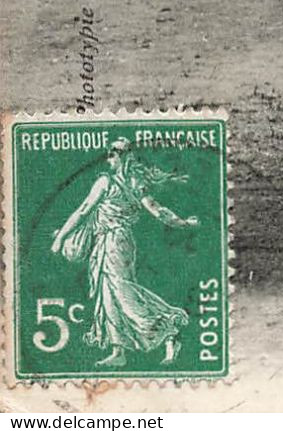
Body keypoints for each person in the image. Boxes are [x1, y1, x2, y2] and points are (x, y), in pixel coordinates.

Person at [51, 139, 199, 367]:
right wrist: (184, 223)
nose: (109, 158)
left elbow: (83, 211)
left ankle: (169, 328)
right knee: (108, 294)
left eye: (113, 154)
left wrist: (61, 237)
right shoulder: (134, 182)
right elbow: (158, 211)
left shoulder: (106, 181)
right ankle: (118, 351)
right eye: (109, 154)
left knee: (121, 292)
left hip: (114, 243)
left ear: (124, 156)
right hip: (114, 243)